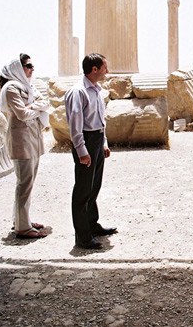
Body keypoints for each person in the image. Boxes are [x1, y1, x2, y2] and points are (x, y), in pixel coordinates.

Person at [64, 53, 117, 249]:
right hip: (85, 141)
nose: (107, 71)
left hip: (96, 140)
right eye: (104, 67)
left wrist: (103, 142)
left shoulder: (96, 90)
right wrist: (82, 150)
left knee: (94, 186)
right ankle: (83, 237)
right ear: (94, 69)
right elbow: (75, 125)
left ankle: (92, 225)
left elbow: (100, 120)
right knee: (83, 190)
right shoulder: (77, 92)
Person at [0, 54, 51, 239]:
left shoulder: (28, 85)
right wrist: (35, 107)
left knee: (28, 183)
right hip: (22, 140)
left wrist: (32, 105)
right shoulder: (12, 87)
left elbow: (46, 102)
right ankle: (22, 227)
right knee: (24, 184)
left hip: (33, 138)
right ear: (18, 69)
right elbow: (21, 114)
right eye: (28, 65)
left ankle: (22, 220)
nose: (32, 68)